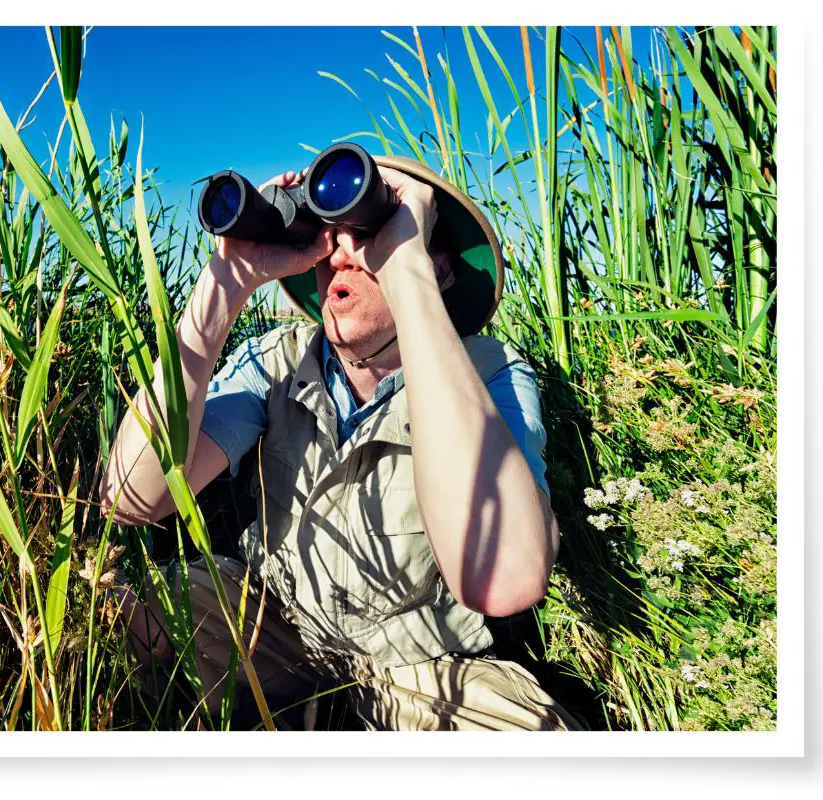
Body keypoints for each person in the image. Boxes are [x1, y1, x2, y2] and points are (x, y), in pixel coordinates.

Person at [98, 156, 581, 731]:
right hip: (276, 625)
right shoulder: (278, 360)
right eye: (330, 239)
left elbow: (503, 579)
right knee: (109, 608)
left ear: (441, 271)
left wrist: (408, 277)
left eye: (372, 235)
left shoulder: (489, 373)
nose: (343, 255)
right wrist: (223, 288)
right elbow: (130, 496)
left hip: (421, 662)